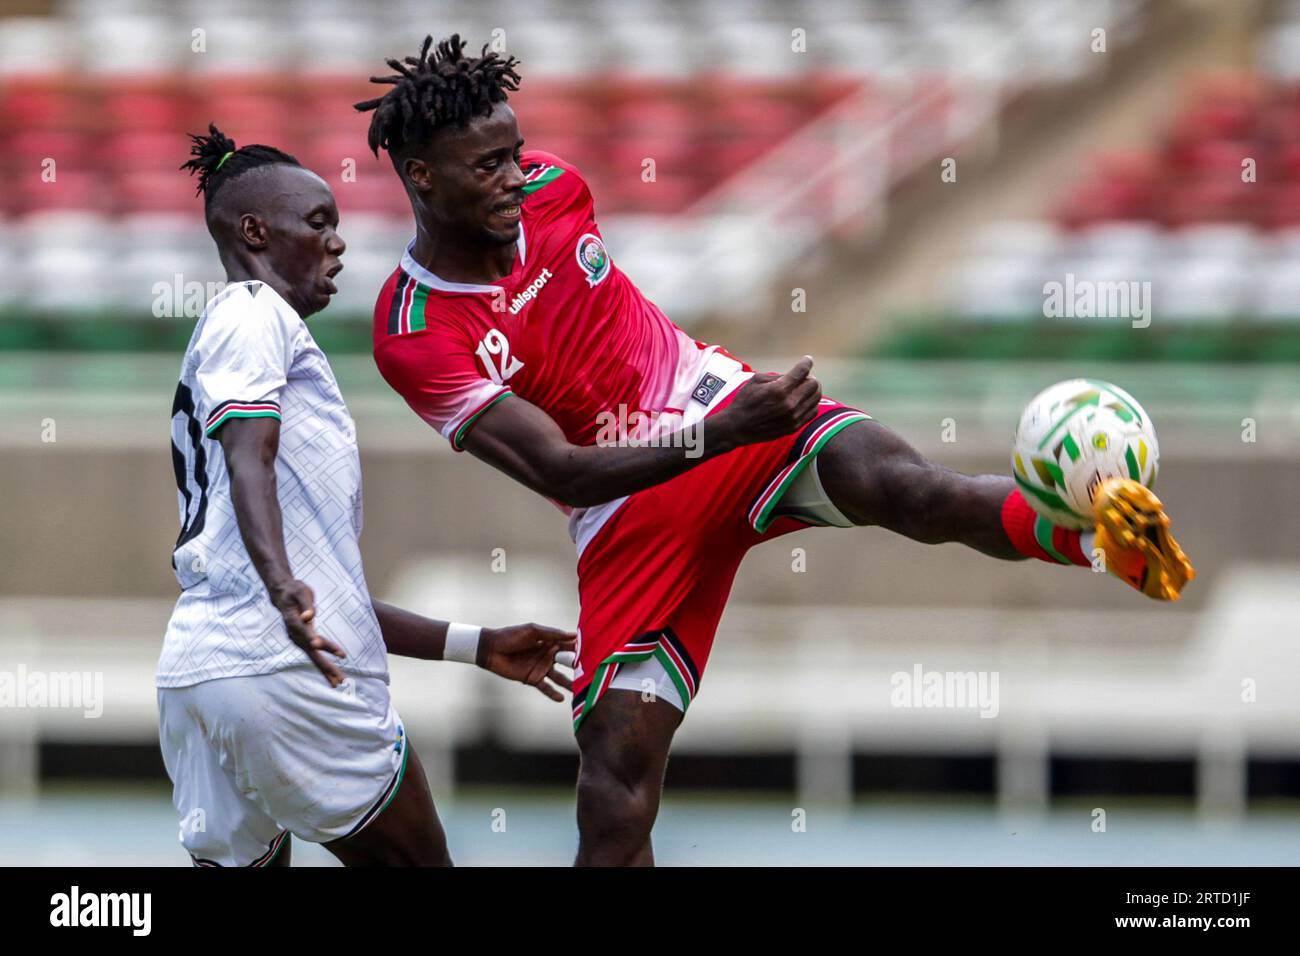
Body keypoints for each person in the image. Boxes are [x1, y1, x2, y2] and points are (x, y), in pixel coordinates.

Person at [356, 36, 1195, 865]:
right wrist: (718, 435)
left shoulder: (556, 190)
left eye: (515, 154)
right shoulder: (415, 333)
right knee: (615, 787)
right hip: (629, 510)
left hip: (721, 404)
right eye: (486, 168)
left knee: (908, 487)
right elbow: (560, 469)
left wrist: (722, 422)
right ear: (421, 176)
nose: (514, 180)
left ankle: (1094, 541)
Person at [158, 124, 574, 867]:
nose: (337, 243)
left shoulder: (233, 336)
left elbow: (328, 598)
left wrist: (475, 646)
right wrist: (286, 591)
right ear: (255, 231)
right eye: (318, 223)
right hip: (282, 672)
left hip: (199, 678)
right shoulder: (254, 312)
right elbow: (251, 450)